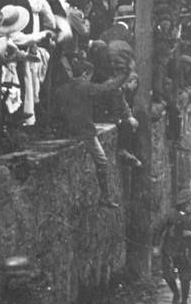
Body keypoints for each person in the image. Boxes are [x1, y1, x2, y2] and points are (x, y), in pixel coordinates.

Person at [51, 59, 131, 208]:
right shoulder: (86, 87)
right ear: (85, 74)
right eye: (90, 76)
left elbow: (55, 113)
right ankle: (105, 197)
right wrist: (124, 75)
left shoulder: (60, 90)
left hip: (65, 131)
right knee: (102, 161)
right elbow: (108, 88)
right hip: (84, 131)